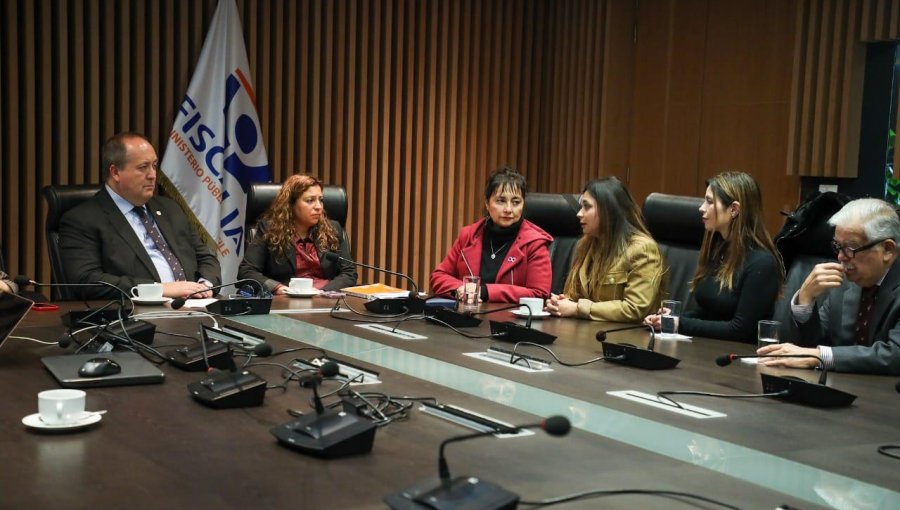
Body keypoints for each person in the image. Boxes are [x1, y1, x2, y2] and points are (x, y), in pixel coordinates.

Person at [59, 133, 220, 300]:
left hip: (197, 307)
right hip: (137, 316)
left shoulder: (170, 209)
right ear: (115, 172)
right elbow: (87, 281)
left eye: (154, 166)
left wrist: (205, 287)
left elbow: (206, 257)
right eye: (143, 167)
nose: (152, 175)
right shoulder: (82, 220)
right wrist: (159, 290)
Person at [760, 198, 900, 375]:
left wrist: (819, 356)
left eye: (850, 248)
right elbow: (816, 342)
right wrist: (805, 300)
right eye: (837, 246)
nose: (840, 257)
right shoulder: (845, 282)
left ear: (887, 249)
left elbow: (895, 356)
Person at [644, 171, 783, 343]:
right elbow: (710, 313)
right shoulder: (719, 249)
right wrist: (670, 318)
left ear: (734, 209)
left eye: (709, 201)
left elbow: (739, 330)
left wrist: (680, 323)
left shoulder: (762, 263)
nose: (701, 208)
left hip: (735, 359)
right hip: (707, 348)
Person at [545, 177, 663, 321]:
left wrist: (577, 308)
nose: (579, 213)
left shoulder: (642, 249)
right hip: (586, 332)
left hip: (626, 338)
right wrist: (561, 303)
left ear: (608, 211)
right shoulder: (586, 244)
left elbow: (635, 308)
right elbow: (574, 294)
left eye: (587, 207)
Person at [430, 167, 552, 303]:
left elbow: (539, 293)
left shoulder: (535, 242)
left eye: (516, 202)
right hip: (467, 318)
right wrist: (461, 289)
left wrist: (485, 292)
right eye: (501, 201)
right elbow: (439, 276)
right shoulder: (469, 235)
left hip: (510, 321)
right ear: (487, 203)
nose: (508, 209)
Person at [239, 174, 357, 294]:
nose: (318, 207)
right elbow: (247, 271)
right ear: (291, 204)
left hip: (325, 299)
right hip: (287, 301)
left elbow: (349, 273)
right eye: (310, 200)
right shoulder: (270, 230)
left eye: (320, 200)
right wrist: (278, 288)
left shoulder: (333, 229)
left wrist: (322, 292)